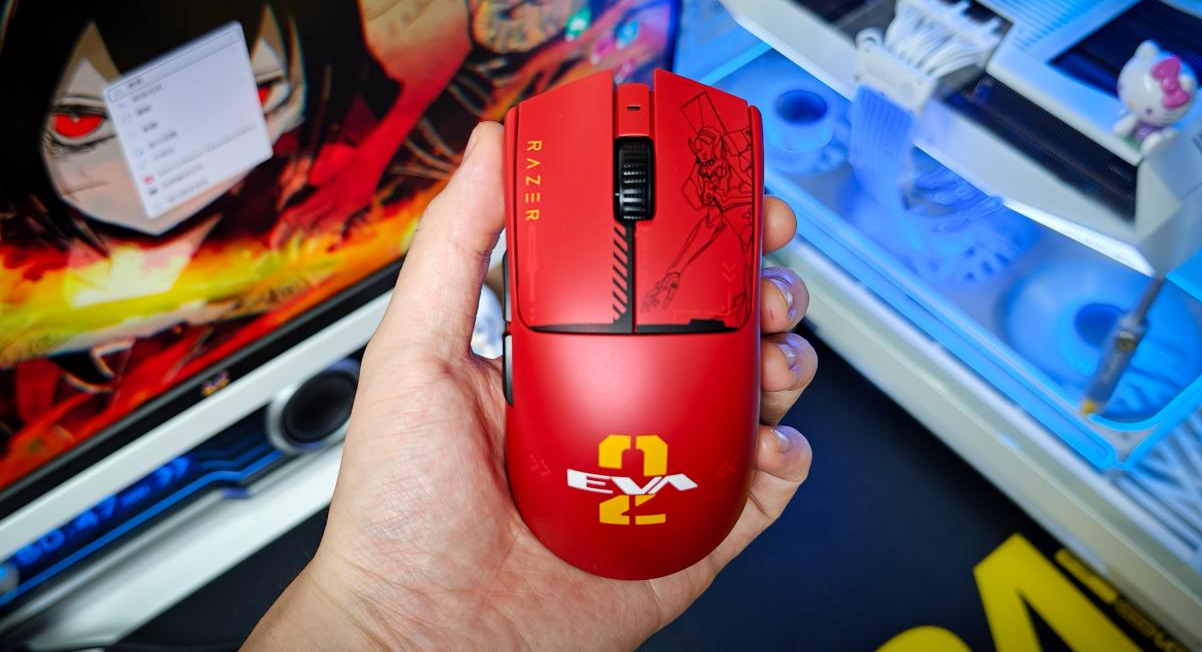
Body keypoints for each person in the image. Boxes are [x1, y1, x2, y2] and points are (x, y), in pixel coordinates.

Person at [242, 122, 818, 649]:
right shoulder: (711, 158)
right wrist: (389, 625)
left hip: (612, 516)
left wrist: (383, 628)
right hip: (650, 508)